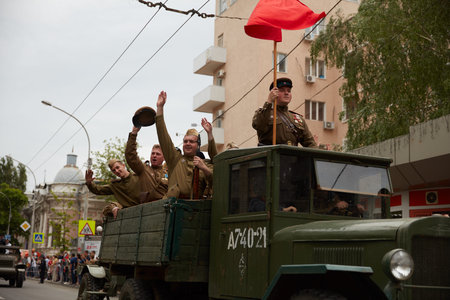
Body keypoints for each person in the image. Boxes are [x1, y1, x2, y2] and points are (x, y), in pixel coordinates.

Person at [155, 91, 213, 199]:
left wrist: (204, 168)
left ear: (198, 145)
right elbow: (163, 137)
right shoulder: (175, 159)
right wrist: (160, 108)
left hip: (196, 209)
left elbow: (216, 182)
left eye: (191, 141)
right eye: (185, 141)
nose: (187, 144)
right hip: (174, 208)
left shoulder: (205, 164)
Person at [252, 78, 317, 147]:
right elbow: (258, 124)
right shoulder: (265, 113)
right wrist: (269, 101)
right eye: (282, 90)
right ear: (273, 93)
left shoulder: (297, 119)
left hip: (292, 156)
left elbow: (310, 143)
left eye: (289, 91)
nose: (286, 93)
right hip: (272, 155)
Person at [126, 126, 168, 202]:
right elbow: (131, 156)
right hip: (147, 209)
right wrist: (133, 134)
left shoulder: (168, 173)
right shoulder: (143, 169)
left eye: (158, 154)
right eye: (153, 153)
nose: (154, 155)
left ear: (164, 158)